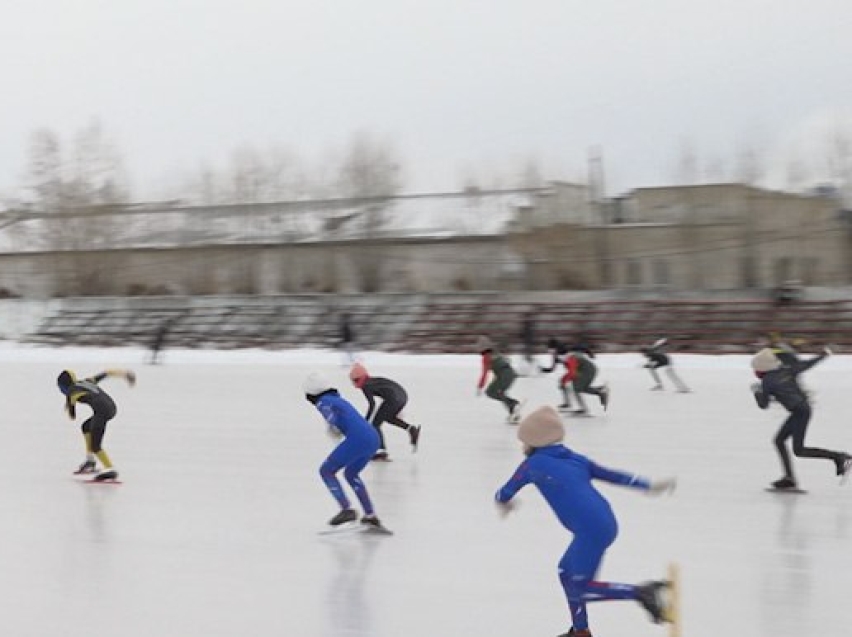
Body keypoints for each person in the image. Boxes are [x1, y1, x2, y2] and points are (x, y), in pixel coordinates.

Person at [494, 406, 677, 637]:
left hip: (591, 530)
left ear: (534, 441)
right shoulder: (576, 459)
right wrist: (647, 485)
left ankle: (640, 593)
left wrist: (505, 504)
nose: (522, 447)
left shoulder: (532, 465)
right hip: (604, 522)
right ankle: (581, 631)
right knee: (566, 572)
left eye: (524, 442)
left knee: (580, 588)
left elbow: (504, 492)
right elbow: (614, 475)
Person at [750, 347, 851, 490]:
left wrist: (757, 392)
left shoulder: (767, 382)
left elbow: (763, 405)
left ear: (761, 369)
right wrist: (823, 355)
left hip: (799, 412)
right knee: (779, 441)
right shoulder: (786, 369)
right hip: (803, 409)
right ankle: (789, 478)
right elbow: (806, 364)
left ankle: (839, 457)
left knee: (799, 450)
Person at [303, 371, 385, 530]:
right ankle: (370, 516)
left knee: (326, 471)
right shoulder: (336, 398)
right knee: (350, 474)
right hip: (373, 438)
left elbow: (331, 417)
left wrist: (332, 426)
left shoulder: (322, 401)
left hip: (358, 439)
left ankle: (346, 509)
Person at [57, 368, 136, 482]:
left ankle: (110, 469)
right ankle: (90, 461)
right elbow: (107, 373)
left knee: (96, 446)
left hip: (102, 412)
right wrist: (124, 374)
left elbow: (72, 416)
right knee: (86, 427)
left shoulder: (70, 393)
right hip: (112, 408)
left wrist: (69, 403)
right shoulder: (87, 381)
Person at [349, 363, 421, 461]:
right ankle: (411, 429)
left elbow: (372, 405)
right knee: (388, 418)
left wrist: (365, 422)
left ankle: (382, 452)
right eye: (354, 381)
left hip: (393, 398)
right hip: (402, 396)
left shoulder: (366, 386)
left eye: (356, 380)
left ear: (362, 377)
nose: (356, 383)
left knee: (375, 424)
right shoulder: (373, 380)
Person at [475, 336, 522, 423]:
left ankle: (513, 405)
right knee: (495, 392)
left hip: (504, 375)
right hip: (510, 374)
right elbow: (508, 360)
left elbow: (484, 373)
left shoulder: (486, 357)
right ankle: (513, 409)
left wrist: (480, 386)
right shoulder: (496, 353)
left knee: (494, 392)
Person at [560, 350, 609, 416]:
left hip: (587, 371)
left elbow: (572, 373)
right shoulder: (570, 357)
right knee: (581, 387)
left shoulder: (570, 359)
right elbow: (572, 372)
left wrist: (563, 381)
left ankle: (584, 409)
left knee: (577, 388)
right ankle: (600, 391)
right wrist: (563, 380)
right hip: (588, 370)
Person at [539, 337, 575, 411]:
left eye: (549, 348)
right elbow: (552, 368)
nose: (549, 351)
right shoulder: (555, 354)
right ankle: (567, 403)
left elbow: (573, 351)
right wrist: (544, 370)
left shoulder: (562, 350)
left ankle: (569, 403)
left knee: (576, 387)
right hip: (571, 370)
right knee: (562, 383)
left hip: (575, 369)